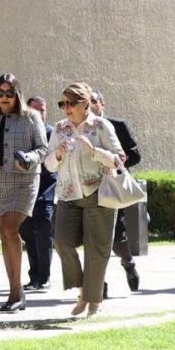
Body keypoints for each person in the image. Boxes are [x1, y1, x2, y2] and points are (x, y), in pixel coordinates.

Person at [0, 73, 49, 312]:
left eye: (9, 93)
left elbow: (43, 148)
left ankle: (15, 293)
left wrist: (29, 158)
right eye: (0, 93)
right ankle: (16, 291)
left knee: (9, 229)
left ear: (18, 95)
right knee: (5, 234)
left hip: (25, 180)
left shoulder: (31, 117)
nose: (4, 97)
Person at [47, 82, 123, 318]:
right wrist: (57, 154)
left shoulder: (101, 126)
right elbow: (48, 164)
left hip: (99, 194)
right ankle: (83, 291)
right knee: (62, 242)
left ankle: (93, 302)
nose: (66, 108)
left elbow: (119, 159)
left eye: (71, 103)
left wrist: (94, 151)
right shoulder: (59, 128)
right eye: (62, 104)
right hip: (68, 195)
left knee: (96, 250)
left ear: (85, 103)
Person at [92, 91, 141, 292]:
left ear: (102, 104)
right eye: (87, 102)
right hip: (89, 187)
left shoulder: (117, 125)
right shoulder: (78, 128)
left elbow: (135, 155)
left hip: (113, 186)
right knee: (92, 237)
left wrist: (116, 162)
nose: (91, 105)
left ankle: (128, 263)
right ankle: (98, 283)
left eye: (94, 101)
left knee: (115, 235)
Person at [18, 96, 57, 292]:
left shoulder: (52, 133)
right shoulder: (22, 133)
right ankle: (34, 276)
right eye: (36, 110)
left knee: (43, 231)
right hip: (25, 191)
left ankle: (45, 276)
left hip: (46, 191)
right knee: (26, 232)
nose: (40, 113)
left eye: (43, 110)